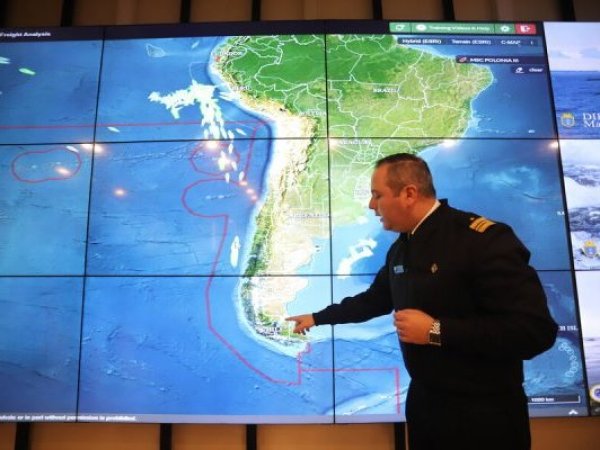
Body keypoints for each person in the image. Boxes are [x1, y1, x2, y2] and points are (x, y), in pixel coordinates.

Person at [286, 153, 558, 450]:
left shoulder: (481, 240)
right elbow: (375, 300)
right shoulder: (402, 248)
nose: (371, 205)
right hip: (427, 408)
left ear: (409, 194)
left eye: (377, 195)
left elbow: (534, 331)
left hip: (484, 416)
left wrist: (436, 331)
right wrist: (318, 317)